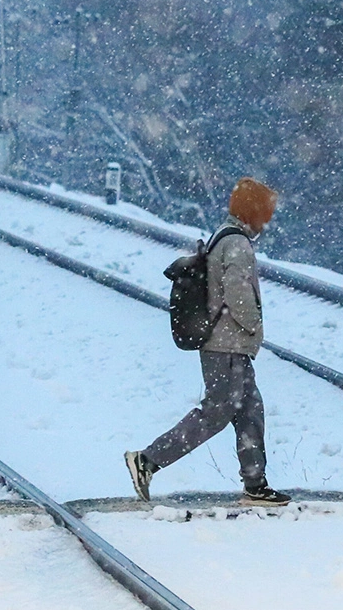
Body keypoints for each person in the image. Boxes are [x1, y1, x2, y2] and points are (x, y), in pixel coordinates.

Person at [125, 177, 292, 506]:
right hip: (226, 345)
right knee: (216, 412)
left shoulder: (224, 236)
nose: (268, 221)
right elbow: (239, 295)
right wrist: (255, 325)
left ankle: (256, 484)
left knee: (249, 411)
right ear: (252, 211)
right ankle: (148, 460)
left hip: (229, 345)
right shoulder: (238, 245)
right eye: (265, 213)